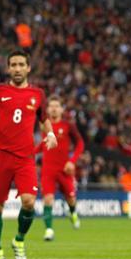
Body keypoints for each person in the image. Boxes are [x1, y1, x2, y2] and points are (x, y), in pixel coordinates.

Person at [0, 50, 57, 259]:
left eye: (21, 64)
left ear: (28, 67)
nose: (17, 68)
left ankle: (19, 240)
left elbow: (44, 119)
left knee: (29, 202)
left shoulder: (38, 94)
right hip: (1, 155)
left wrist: (50, 134)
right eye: (13, 65)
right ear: (8, 68)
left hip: (25, 157)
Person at [35, 95, 85, 241]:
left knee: (70, 198)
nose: (54, 109)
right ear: (48, 109)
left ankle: (73, 213)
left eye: (57, 106)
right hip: (48, 170)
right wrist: (31, 152)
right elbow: (44, 144)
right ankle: (49, 230)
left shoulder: (68, 125)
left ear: (62, 109)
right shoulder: (44, 125)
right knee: (48, 199)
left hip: (65, 169)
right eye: (51, 106)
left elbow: (80, 144)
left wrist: (72, 161)